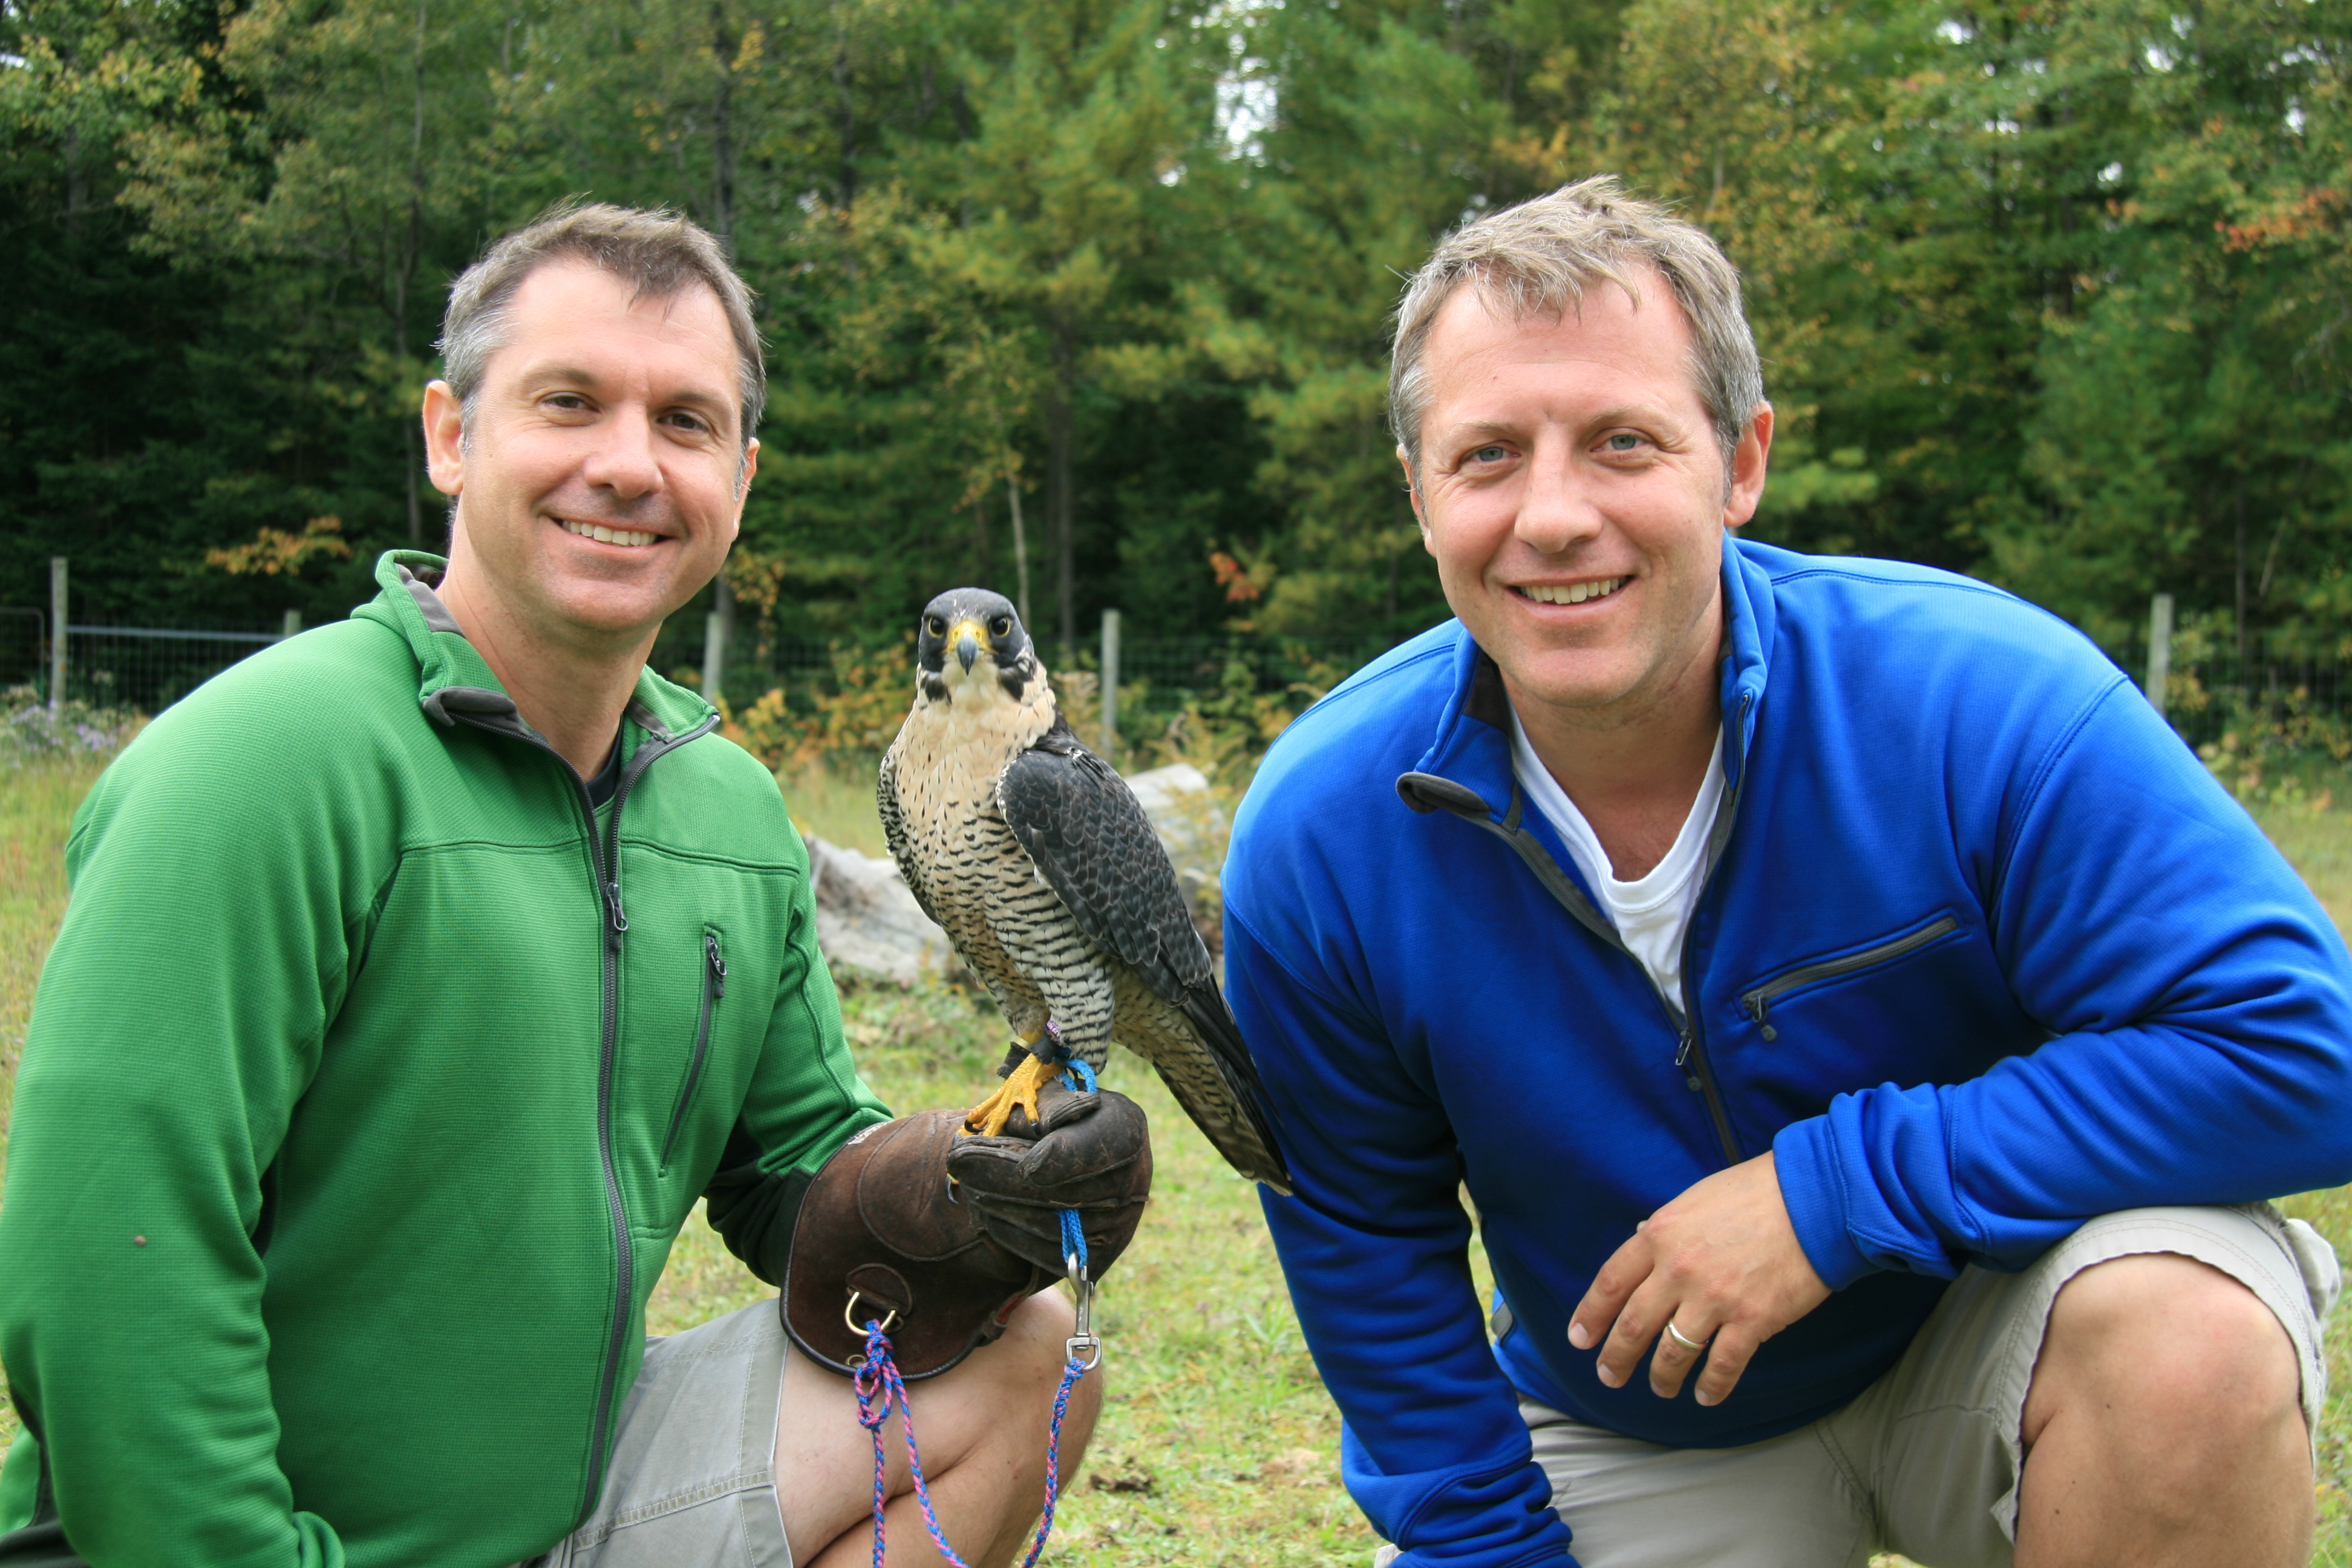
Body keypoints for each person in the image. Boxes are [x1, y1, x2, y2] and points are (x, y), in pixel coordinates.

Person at [1223, 175, 2352, 1568]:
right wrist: (1489, 1553)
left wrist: (1837, 1194)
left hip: (2003, 1328)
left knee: (2193, 1338)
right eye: (1489, 456)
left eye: (1624, 442)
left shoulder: (1980, 699)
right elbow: (1365, 1247)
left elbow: (2309, 1051)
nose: (1556, 514)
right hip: (1640, 1419)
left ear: (1742, 462)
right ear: (1418, 494)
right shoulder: (1324, 832)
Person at [0, 202, 1132, 1568]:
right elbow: (111, 1272)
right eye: (570, 402)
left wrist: (962, 1200)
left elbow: (796, 1180)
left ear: (743, 475)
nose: (627, 465)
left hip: (574, 1502)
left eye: (686, 423)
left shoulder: (725, 802)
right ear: (452, 434)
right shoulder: (262, 763)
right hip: (272, 1533)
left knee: (1030, 1354)